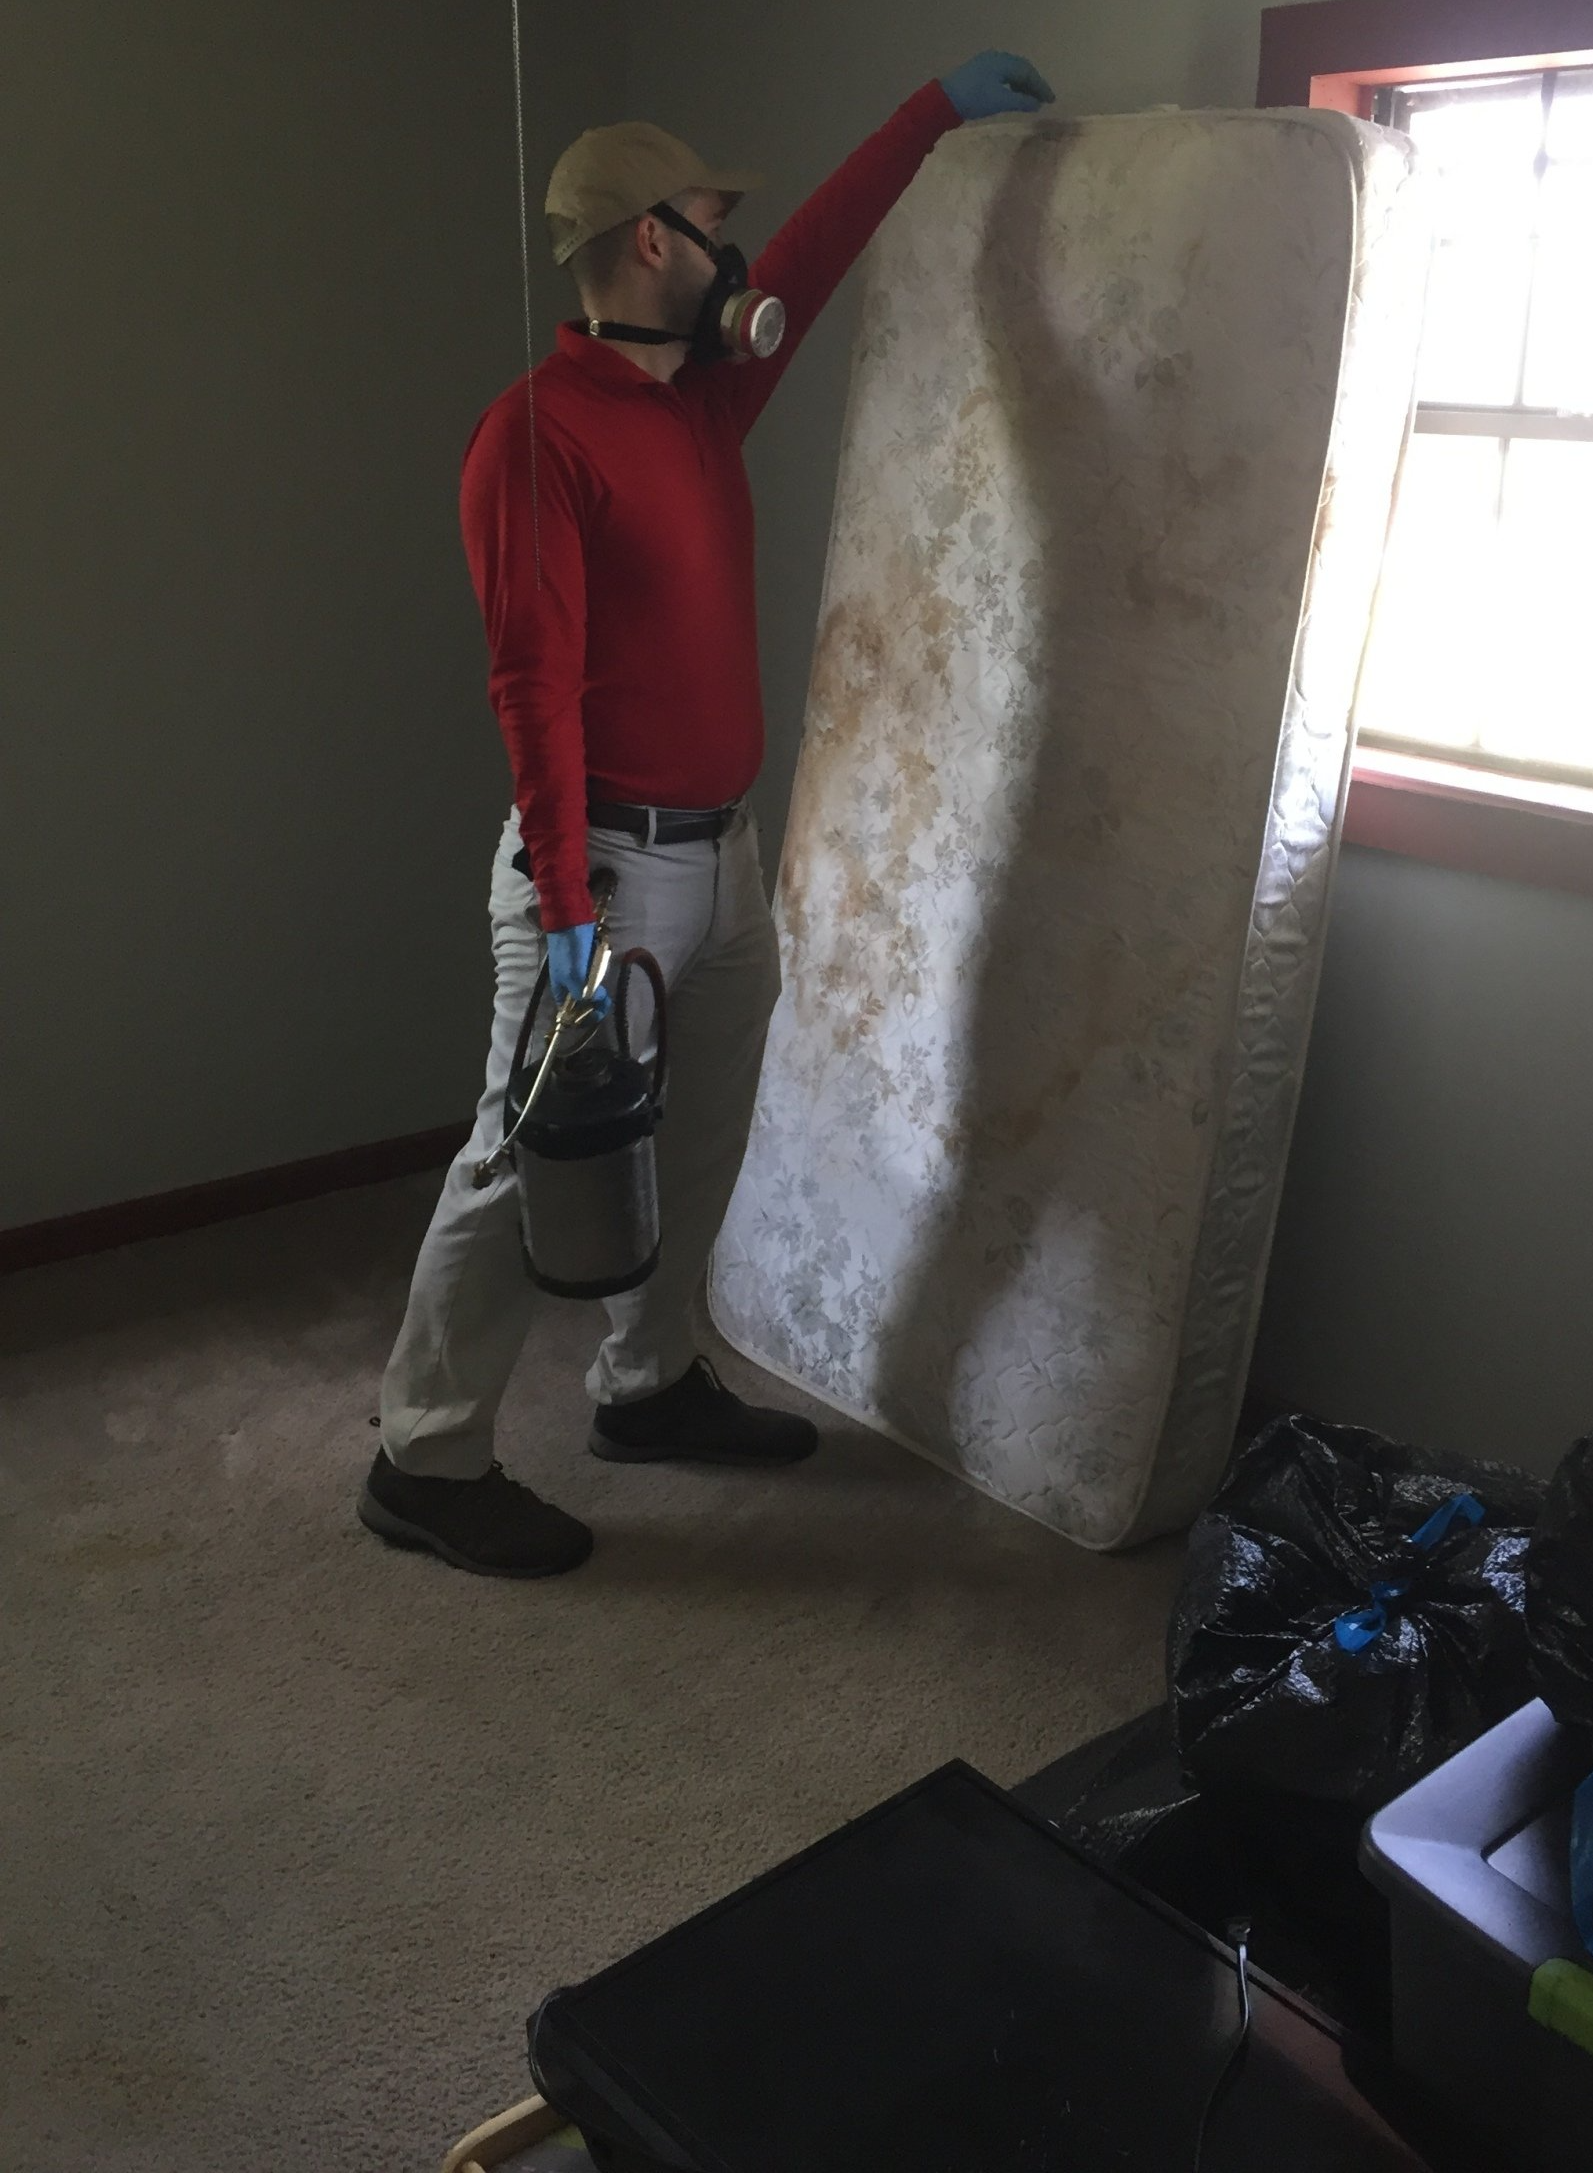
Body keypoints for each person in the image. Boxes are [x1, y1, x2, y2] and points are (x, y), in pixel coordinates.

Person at [358, 52, 1058, 1577]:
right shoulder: (534, 437)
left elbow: (808, 258)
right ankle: (424, 1455)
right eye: (708, 216)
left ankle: (649, 1383)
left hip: (720, 856)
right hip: (600, 871)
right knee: (518, 1156)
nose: (737, 244)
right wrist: (560, 913)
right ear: (653, 242)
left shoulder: (705, 401)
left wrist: (928, 115)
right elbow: (529, 688)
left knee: (700, 1128)